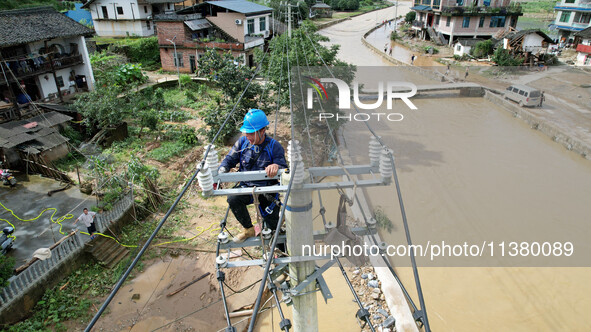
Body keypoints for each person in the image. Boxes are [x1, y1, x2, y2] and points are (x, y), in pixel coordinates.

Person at [219, 109, 288, 243]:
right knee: (233, 199)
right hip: (247, 186)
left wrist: (276, 167)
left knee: (273, 226)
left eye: (251, 133)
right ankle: (248, 229)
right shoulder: (242, 143)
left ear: (262, 131)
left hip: (267, 191)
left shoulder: (274, 146)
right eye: (246, 133)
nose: (247, 136)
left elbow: (284, 167)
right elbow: (229, 159)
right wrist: (222, 169)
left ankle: (280, 250)